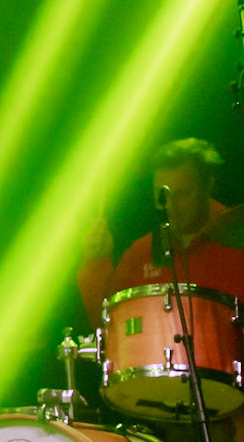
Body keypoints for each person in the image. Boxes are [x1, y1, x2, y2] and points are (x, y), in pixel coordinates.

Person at [77, 139, 244, 324]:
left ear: (207, 187)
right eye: (162, 195)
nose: (171, 206)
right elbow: (108, 325)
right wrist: (96, 262)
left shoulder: (237, 244)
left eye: (182, 194)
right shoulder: (140, 255)